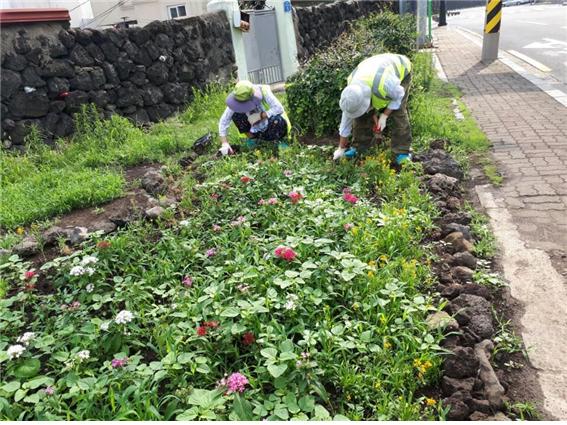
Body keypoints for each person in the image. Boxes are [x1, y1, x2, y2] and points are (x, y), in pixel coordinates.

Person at [333, 53, 413, 165]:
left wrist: (384, 116)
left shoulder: (385, 84)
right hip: (372, 69)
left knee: (398, 113)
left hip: (400, 68)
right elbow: (345, 126)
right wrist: (341, 149)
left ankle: (402, 151)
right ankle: (360, 147)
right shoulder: (351, 96)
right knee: (360, 117)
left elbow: (398, 96)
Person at [218, 81, 290, 155]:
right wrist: (224, 143)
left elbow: (278, 108)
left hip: (271, 126)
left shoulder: (263, 90)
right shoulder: (236, 99)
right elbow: (224, 121)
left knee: (277, 120)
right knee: (236, 115)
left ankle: (279, 141)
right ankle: (253, 140)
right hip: (254, 131)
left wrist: (260, 116)